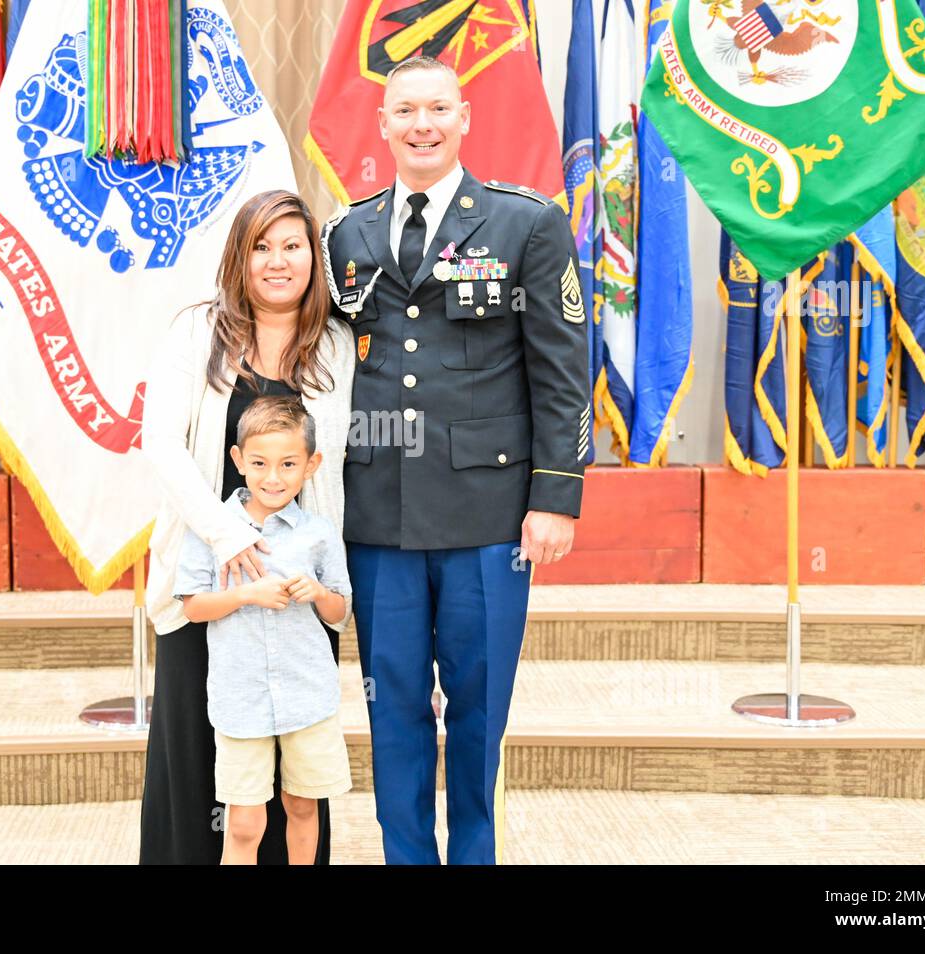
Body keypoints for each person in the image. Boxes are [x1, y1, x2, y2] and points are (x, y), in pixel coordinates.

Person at [321, 56, 591, 864]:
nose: (423, 124)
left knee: (478, 715)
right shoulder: (347, 232)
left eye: (438, 108)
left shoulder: (527, 223)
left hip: (488, 515)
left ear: (465, 117)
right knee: (393, 710)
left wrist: (556, 497)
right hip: (378, 515)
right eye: (405, 110)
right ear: (383, 124)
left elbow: (562, 368)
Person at [139, 190, 357, 864]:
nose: (277, 260)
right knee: (205, 765)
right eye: (262, 245)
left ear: (312, 258)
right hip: (210, 578)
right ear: (240, 255)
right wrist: (228, 537)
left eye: (293, 245)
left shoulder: (335, 341)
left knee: (295, 782)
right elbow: (161, 445)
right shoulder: (196, 331)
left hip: (294, 588)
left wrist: (319, 577)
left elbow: (331, 465)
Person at [174, 396, 354, 864]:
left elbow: (340, 613)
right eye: (259, 463)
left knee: (302, 805)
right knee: (245, 821)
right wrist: (245, 596)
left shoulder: (318, 532)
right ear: (238, 461)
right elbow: (193, 607)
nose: (273, 478)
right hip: (241, 699)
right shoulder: (211, 529)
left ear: (311, 465)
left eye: (288, 464)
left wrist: (315, 591)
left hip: (306, 695)